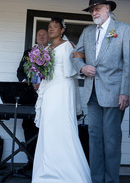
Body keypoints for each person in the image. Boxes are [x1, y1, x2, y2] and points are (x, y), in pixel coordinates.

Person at [71, 0, 130, 183]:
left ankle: (111, 180)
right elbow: (76, 54)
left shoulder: (123, 29)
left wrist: (125, 91)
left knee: (112, 140)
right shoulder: (87, 31)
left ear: (108, 8)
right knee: (94, 138)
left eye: (97, 8)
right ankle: (96, 180)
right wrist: (81, 67)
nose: (94, 12)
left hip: (115, 93)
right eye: (91, 10)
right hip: (91, 94)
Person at [32, 17, 92, 183]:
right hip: (49, 88)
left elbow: (78, 63)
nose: (51, 29)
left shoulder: (69, 45)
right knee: (48, 126)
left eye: (55, 26)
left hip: (63, 88)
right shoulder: (46, 49)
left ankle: (70, 173)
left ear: (62, 30)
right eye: (49, 26)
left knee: (63, 125)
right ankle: (47, 170)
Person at [16, 29, 49, 171]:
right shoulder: (27, 53)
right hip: (29, 96)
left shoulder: (51, 53)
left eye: (44, 34)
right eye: (39, 35)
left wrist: (43, 83)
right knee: (28, 127)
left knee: (45, 128)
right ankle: (31, 161)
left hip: (46, 96)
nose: (41, 37)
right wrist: (28, 82)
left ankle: (44, 163)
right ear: (36, 38)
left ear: (48, 37)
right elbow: (20, 72)